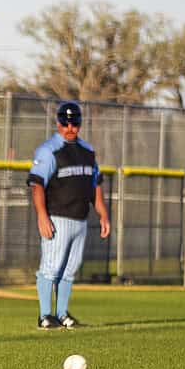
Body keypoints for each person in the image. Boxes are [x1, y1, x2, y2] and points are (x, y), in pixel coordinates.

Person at [27, 101, 111, 329]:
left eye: (74, 122)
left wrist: (102, 214)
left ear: (80, 123)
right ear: (58, 122)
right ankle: (45, 315)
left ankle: (62, 314)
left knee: (70, 270)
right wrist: (42, 216)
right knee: (51, 268)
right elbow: (37, 185)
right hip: (57, 217)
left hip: (80, 218)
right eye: (65, 122)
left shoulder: (87, 151)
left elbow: (95, 185)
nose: (70, 127)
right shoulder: (49, 150)